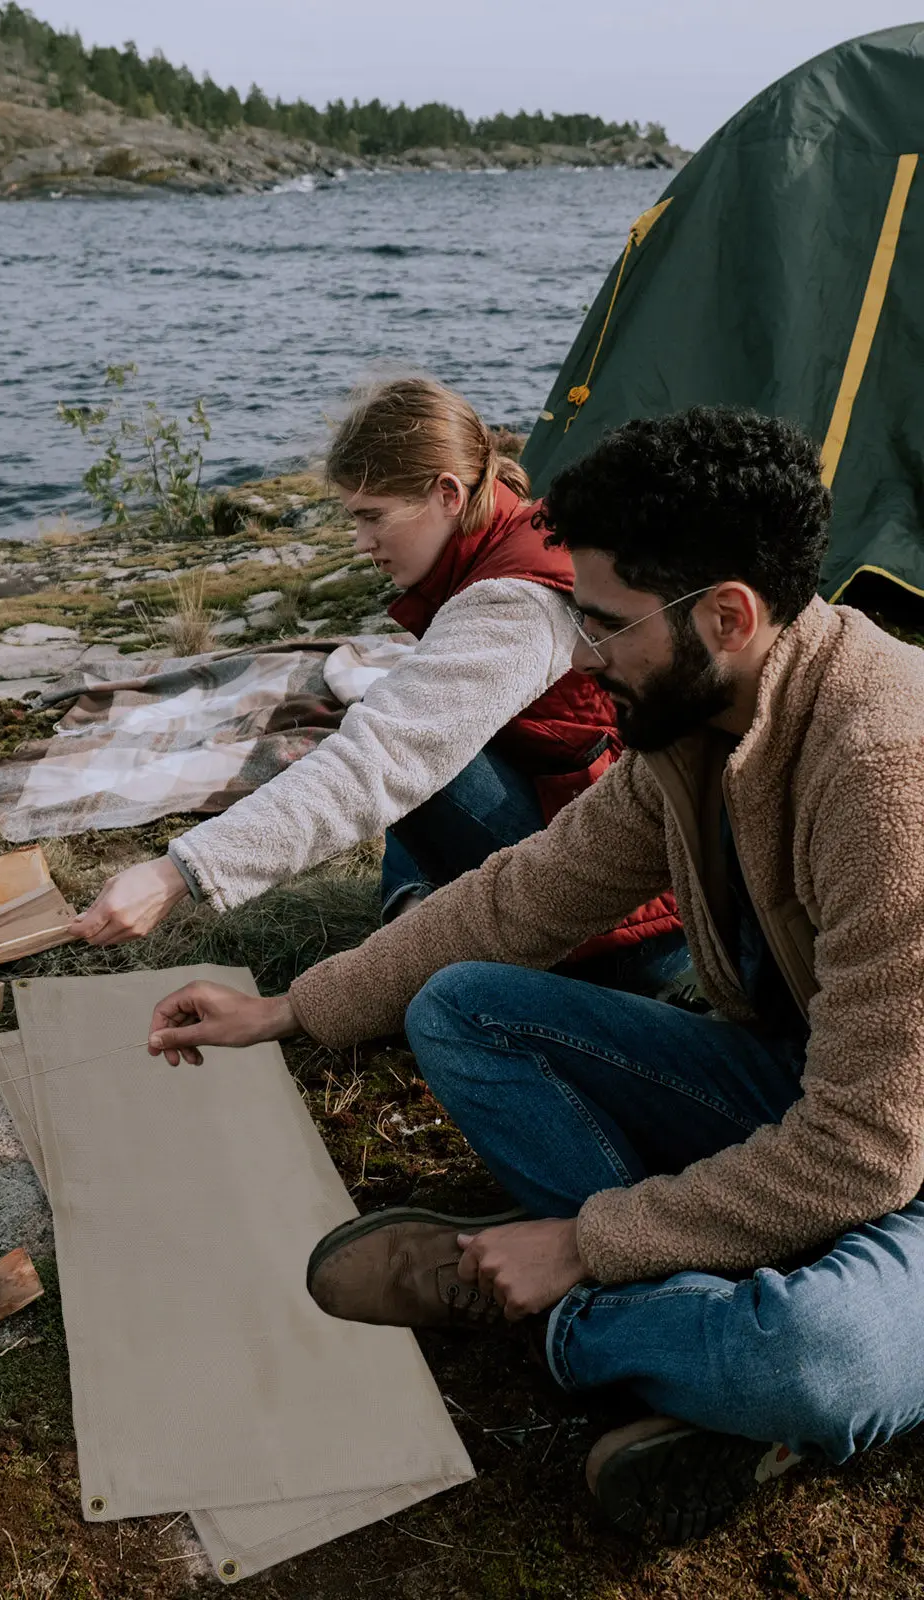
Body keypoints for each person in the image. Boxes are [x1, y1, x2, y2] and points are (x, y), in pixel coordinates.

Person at [141, 406, 924, 1543]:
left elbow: (869, 1147)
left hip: (895, 1138)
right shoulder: (698, 721)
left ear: (726, 614)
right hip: (812, 1085)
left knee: (818, 1357)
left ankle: (585, 1322)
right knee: (461, 1006)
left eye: (603, 622)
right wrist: (290, 1009)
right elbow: (521, 895)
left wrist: (582, 1242)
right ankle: (696, 1326)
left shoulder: (883, 768)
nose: (585, 651)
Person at [72, 376, 684, 992]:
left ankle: (436, 940)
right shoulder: (515, 536)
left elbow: (381, 760)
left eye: (373, 517)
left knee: (397, 745)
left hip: (629, 928)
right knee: (405, 719)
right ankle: (419, 917)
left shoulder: (515, 600)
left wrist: (175, 874)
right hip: (602, 839)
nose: (363, 543)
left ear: (448, 492)